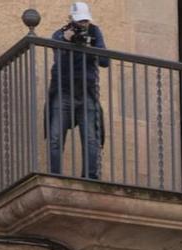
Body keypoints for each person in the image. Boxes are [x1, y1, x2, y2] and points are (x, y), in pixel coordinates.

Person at [47, 2, 107, 180]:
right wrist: (66, 41)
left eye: (86, 21)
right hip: (63, 91)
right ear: (71, 20)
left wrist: (89, 47)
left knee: (91, 138)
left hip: (87, 91)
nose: (84, 24)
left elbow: (105, 61)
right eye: (80, 21)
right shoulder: (60, 34)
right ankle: (55, 177)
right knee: (55, 137)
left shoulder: (94, 32)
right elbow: (58, 58)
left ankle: (91, 177)